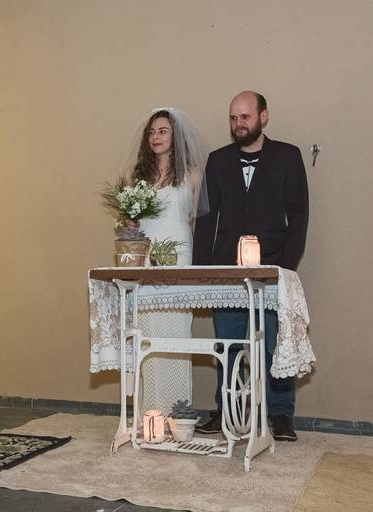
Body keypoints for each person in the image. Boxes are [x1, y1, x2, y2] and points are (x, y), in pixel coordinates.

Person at [193, 91, 309, 441]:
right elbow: (206, 218)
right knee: (227, 345)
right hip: (225, 271)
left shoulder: (288, 156)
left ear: (263, 117)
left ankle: (280, 414)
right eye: (233, 118)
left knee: (274, 345)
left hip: (272, 269)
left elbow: (299, 216)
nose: (238, 124)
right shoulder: (217, 161)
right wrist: (202, 271)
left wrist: (284, 267)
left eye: (245, 116)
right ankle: (228, 409)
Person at [125, 108, 210, 414]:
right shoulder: (139, 179)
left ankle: (177, 413)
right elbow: (132, 223)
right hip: (146, 261)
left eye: (162, 131)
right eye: (151, 132)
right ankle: (150, 414)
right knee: (146, 336)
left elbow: (198, 223)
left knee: (175, 335)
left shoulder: (193, 174)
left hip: (179, 258)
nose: (155, 137)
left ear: (176, 136)